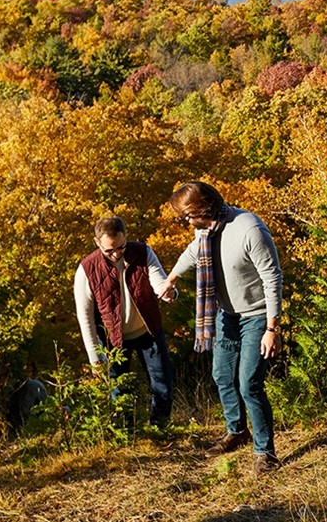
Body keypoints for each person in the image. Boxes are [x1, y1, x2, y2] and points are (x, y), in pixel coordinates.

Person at [163, 181, 283, 473]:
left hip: (257, 316)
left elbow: (273, 278)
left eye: (187, 216)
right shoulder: (206, 232)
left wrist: (272, 329)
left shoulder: (249, 229)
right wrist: (172, 278)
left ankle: (265, 453)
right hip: (226, 314)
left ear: (203, 208)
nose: (186, 222)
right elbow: (193, 252)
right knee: (222, 375)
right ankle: (237, 431)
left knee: (249, 385)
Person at [74, 215, 175, 428]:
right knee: (120, 391)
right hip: (113, 340)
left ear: (125, 238)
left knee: (162, 383)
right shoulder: (86, 269)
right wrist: (95, 357)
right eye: (109, 250)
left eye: (121, 247)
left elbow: (158, 280)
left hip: (148, 331)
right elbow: (85, 318)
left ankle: (160, 429)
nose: (116, 253)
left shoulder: (143, 252)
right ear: (97, 242)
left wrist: (167, 293)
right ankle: (124, 434)